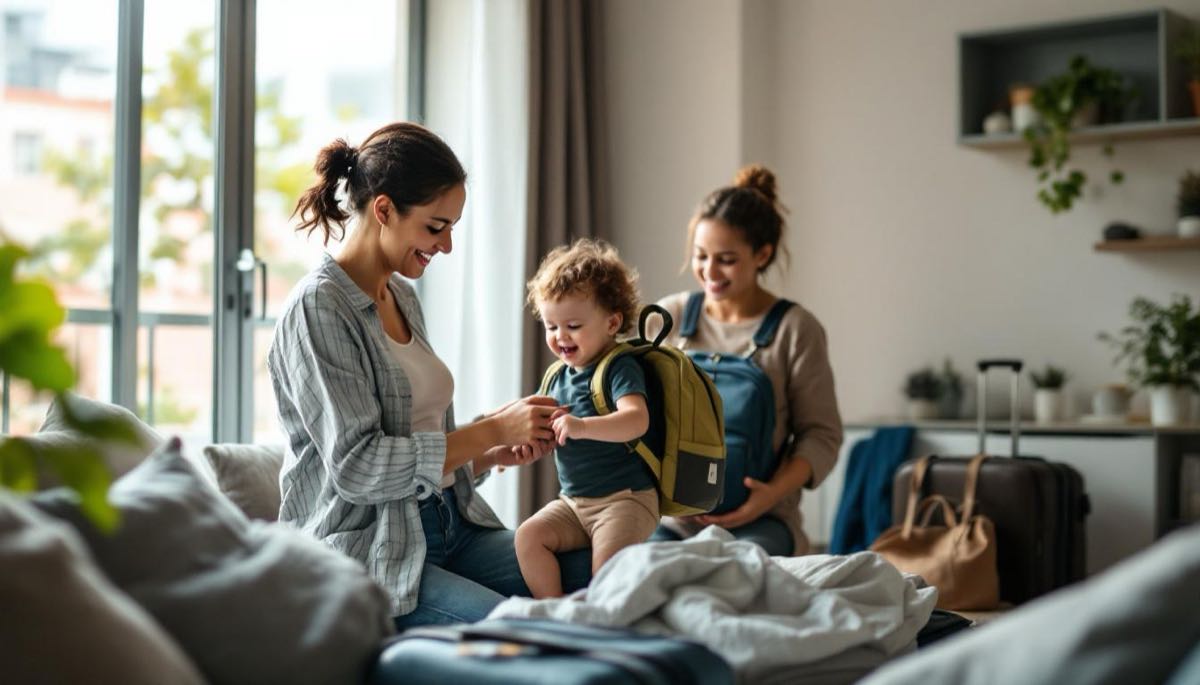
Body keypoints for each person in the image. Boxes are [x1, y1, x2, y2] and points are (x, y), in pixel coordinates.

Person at [267, 122, 587, 629]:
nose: (447, 246)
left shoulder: (402, 296)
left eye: (452, 228)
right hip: (371, 551)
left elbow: (419, 439)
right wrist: (491, 431)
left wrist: (488, 451)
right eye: (436, 227)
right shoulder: (318, 308)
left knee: (602, 571)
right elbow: (358, 467)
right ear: (385, 210)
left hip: (451, 525)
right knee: (517, 634)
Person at [650, 164, 843, 556]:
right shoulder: (665, 318)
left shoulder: (796, 330)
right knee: (635, 568)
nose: (709, 271)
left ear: (762, 254)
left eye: (726, 259)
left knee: (735, 575)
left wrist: (769, 496)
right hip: (670, 519)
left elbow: (821, 435)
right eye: (700, 256)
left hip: (763, 521)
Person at [515, 239, 658, 598]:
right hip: (574, 502)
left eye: (573, 326)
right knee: (528, 537)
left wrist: (581, 426)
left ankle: (600, 621)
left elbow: (636, 419)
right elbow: (544, 429)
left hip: (625, 500)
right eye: (550, 326)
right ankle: (556, 611)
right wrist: (524, 442)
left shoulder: (618, 367)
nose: (560, 337)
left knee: (605, 569)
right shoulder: (556, 376)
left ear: (612, 323)